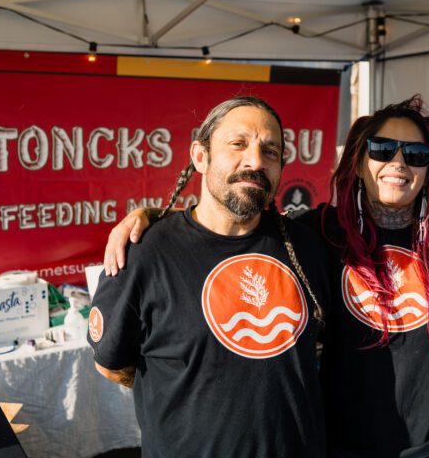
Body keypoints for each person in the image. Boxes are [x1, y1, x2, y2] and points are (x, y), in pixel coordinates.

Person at [103, 95, 429, 457]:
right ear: (358, 161)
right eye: (382, 149)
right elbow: (229, 219)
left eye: (416, 154)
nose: (399, 163)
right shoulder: (321, 232)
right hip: (342, 446)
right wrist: (153, 217)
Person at [89, 96, 332, 458]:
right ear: (200, 156)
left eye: (270, 151)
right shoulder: (143, 253)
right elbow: (111, 364)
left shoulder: (306, 246)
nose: (255, 161)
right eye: (238, 144)